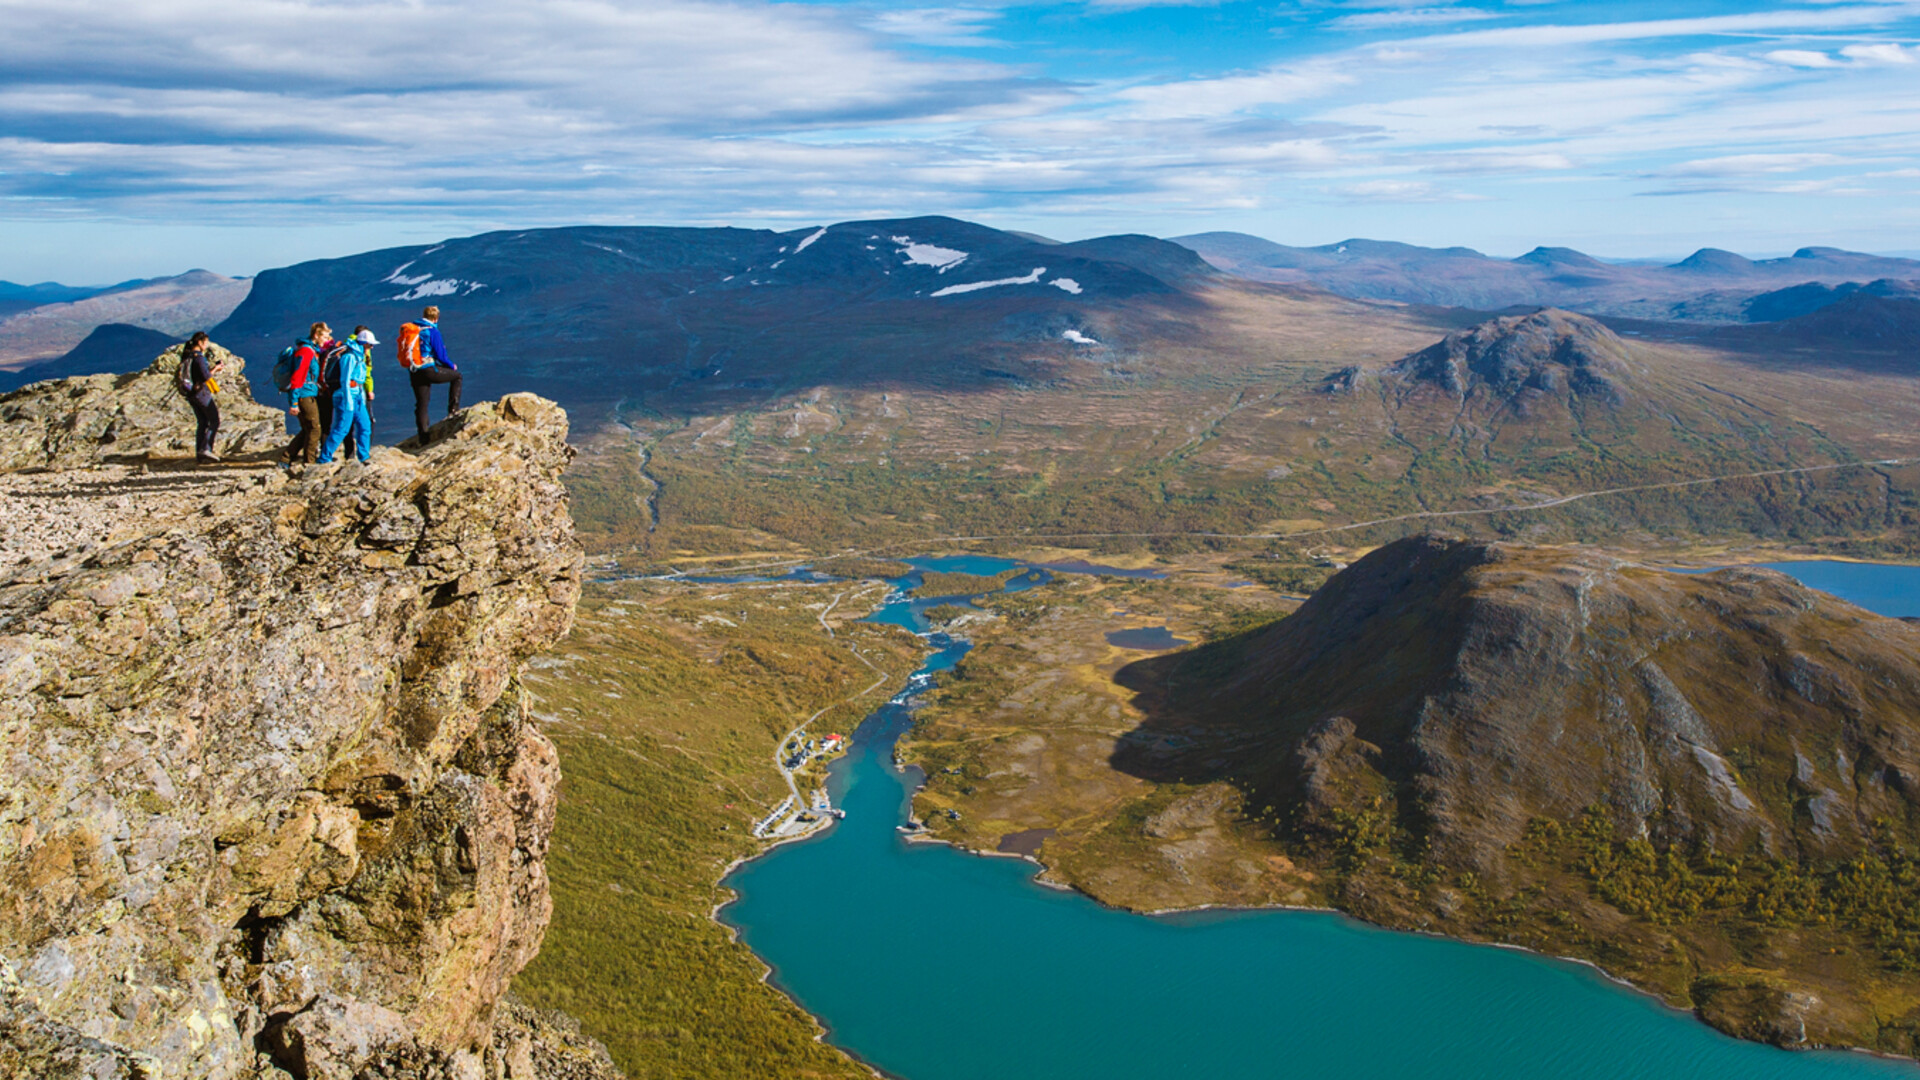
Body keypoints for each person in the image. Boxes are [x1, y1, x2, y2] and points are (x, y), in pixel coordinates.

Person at [318, 327, 378, 464]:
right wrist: (348, 400)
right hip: (345, 397)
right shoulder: (349, 357)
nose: (372, 347)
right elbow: (344, 380)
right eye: (370, 344)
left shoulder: (360, 356)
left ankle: (364, 456)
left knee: (365, 425)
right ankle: (324, 457)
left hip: (357, 395)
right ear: (363, 343)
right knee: (342, 428)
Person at [408, 305, 462, 440]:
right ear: (436, 318)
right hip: (428, 369)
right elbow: (441, 356)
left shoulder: (413, 329)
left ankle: (423, 437)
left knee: (422, 403)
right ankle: (453, 412)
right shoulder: (432, 331)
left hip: (414, 369)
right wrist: (452, 366)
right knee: (457, 377)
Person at [282, 322, 333, 465]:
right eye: (325, 336)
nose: (327, 339)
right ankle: (309, 462)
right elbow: (298, 376)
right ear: (316, 335)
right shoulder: (306, 351)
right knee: (315, 428)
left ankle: (286, 458)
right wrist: (294, 402)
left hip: (308, 393)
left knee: (307, 428)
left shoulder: (310, 350)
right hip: (304, 395)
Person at [175, 331, 223, 463]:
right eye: (206, 342)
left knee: (202, 422)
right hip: (201, 392)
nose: (207, 345)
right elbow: (206, 376)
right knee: (214, 420)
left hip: (190, 393)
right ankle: (206, 449)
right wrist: (216, 369)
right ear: (201, 342)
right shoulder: (199, 358)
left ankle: (199, 453)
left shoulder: (187, 356)